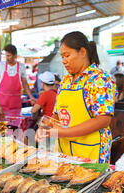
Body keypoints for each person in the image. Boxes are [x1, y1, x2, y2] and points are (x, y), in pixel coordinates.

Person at [36, 31, 116, 164]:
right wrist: (46, 127)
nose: (64, 61)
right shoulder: (66, 81)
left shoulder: (99, 79)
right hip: (64, 150)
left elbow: (103, 119)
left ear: (83, 52)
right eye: (62, 57)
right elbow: (57, 115)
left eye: (67, 55)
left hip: (91, 151)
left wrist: (62, 132)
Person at [0, 44, 36, 119]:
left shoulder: (21, 66)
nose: (7, 58)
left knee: (14, 125)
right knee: (1, 125)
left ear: (15, 56)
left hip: (15, 104)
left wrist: (31, 97)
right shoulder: (1, 65)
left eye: (9, 56)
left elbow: (25, 84)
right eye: (6, 55)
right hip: (2, 103)